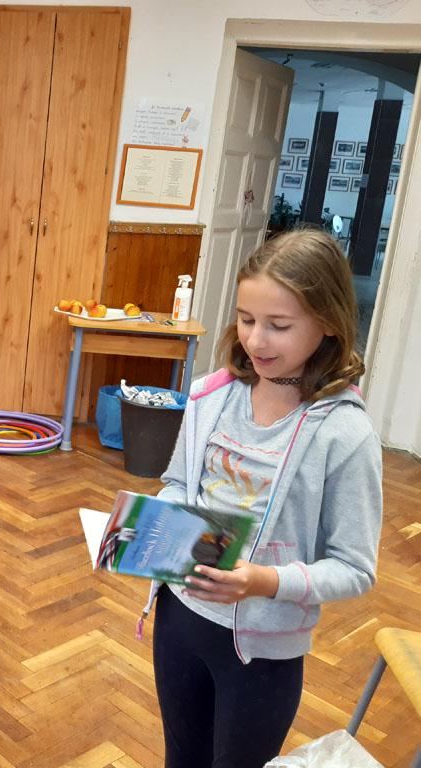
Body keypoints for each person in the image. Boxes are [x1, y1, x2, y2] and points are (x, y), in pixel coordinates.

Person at [147, 228, 383, 768]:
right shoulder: (210, 395)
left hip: (262, 653)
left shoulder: (345, 435)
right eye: (246, 319)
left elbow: (354, 568)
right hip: (179, 619)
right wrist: (156, 528)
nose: (256, 341)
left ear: (328, 323)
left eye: (279, 325)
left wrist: (264, 582)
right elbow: (178, 483)